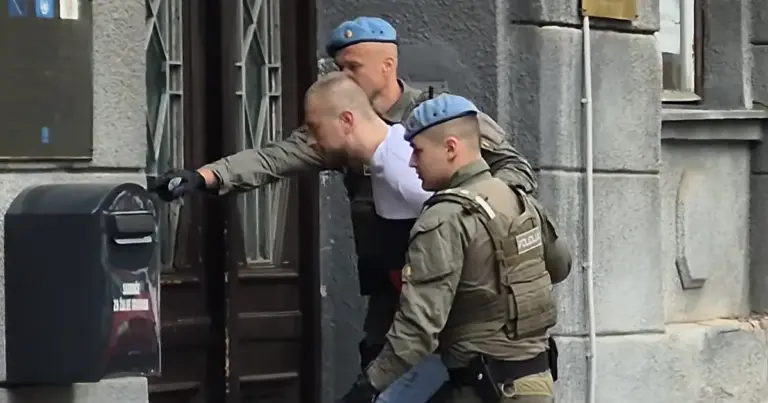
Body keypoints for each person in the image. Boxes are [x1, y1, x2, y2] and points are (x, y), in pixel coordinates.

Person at [151, 16, 540, 377]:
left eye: (353, 67)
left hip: (461, 272)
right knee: (382, 364)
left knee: (465, 369)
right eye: (339, 68)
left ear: (387, 64)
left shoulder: (438, 115)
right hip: (392, 278)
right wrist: (205, 177)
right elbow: (275, 158)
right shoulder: (339, 129)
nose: (343, 76)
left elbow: (515, 170)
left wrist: (478, 208)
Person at [336, 94, 572, 403]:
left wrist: (367, 386)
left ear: (450, 148)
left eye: (418, 151)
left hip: (483, 390)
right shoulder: (520, 200)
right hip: (535, 384)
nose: (412, 162)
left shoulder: (444, 218)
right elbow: (560, 266)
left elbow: (417, 330)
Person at [304, 72, 449, 402]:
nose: (311, 140)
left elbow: (461, 242)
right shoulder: (388, 160)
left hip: (442, 336)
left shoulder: (403, 171)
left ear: (346, 120)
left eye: (315, 127)